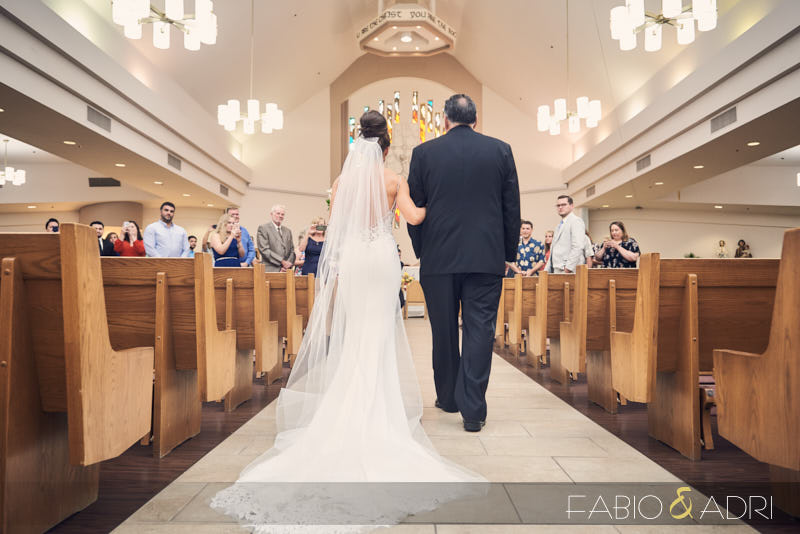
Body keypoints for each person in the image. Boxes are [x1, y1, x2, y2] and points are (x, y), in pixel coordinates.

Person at [211, 110, 483, 529]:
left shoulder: (340, 184)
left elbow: (336, 228)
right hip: (380, 259)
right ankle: (378, 412)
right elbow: (414, 218)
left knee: (355, 335)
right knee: (379, 336)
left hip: (354, 261)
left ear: (358, 143)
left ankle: (348, 409)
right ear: (387, 146)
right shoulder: (393, 180)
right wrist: (441, 204)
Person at [407, 93, 520, 432]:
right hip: (486, 258)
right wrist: (507, 254)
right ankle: (473, 410)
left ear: (444, 120)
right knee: (479, 331)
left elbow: (415, 209)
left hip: (439, 259)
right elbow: (510, 207)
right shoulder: (500, 150)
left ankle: (448, 398)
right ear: (476, 120)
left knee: (443, 331)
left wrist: (422, 250)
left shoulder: (424, 153)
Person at [545, 195, 585, 273]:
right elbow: (553, 249)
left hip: (569, 270)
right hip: (556, 268)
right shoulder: (558, 226)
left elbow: (578, 246)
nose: (560, 207)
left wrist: (567, 269)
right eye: (558, 205)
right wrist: (547, 270)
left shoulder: (576, 221)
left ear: (571, 206)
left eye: (563, 205)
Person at [256, 205, 295, 272]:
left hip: (286, 270)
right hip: (271, 269)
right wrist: (282, 262)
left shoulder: (287, 231)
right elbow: (264, 250)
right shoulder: (263, 228)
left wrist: (287, 265)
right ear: (271, 214)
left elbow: (292, 250)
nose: (280, 216)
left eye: (282, 214)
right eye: (278, 213)